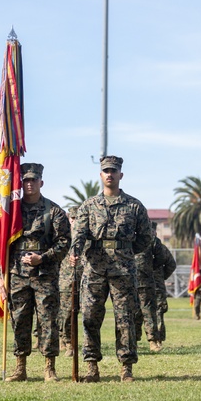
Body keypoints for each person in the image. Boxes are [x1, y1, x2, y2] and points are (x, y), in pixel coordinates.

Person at [69, 155, 153, 382]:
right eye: (106, 171)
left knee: (125, 317)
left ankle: (126, 367)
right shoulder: (89, 206)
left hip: (123, 270)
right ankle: (92, 367)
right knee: (90, 317)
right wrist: (76, 251)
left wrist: (126, 251)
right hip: (94, 268)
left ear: (120, 175)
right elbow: (80, 234)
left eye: (113, 171)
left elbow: (146, 237)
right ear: (100, 175)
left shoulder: (134, 206)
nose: (110, 174)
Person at [0, 163, 70, 382]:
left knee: (48, 321)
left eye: (33, 180)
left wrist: (43, 258)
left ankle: (49, 367)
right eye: (26, 180)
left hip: (45, 275)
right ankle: (20, 367)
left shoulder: (54, 211)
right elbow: (1, 244)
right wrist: (1, 276)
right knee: (20, 320)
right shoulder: (11, 211)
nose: (29, 184)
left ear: (41, 182)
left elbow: (64, 242)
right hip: (17, 274)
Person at [134, 222, 175, 352]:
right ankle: (133, 340)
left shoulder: (155, 244)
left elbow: (167, 262)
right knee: (132, 314)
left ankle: (155, 340)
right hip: (131, 283)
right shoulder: (131, 241)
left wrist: (152, 271)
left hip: (149, 284)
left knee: (152, 313)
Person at [58, 207, 83, 356]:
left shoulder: (85, 236)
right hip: (65, 280)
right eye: (72, 219)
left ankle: (72, 340)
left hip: (83, 279)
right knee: (66, 313)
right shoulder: (64, 236)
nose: (74, 222)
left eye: (77, 219)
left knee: (80, 312)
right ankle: (67, 341)